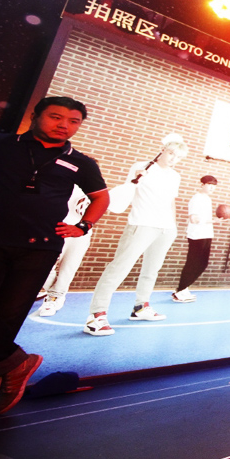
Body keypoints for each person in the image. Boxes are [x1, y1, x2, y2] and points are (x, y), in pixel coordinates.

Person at [0, 97, 109, 415]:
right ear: (36, 115)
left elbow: (100, 198)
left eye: (73, 121)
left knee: (9, 317)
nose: (64, 125)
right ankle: (17, 364)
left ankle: (4, 377)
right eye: (56, 117)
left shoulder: (81, 162)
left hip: (39, 248)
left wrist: (83, 226)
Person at [85, 134, 187, 336]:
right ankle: (96, 315)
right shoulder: (142, 167)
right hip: (141, 224)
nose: (173, 159)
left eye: (178, 157)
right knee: (119, 268)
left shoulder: (175, 176)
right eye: (171, 153)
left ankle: (141, 307)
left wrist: (173, 227)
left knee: (151, 270)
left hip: (165, 228)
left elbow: (171, 202)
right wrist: (137, 177)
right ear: (163, 150)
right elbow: (127, 192)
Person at [36, 186, 93, 316]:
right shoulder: (61, 182)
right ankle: (52, 291)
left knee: (68, 267)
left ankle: (54, 297)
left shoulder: (93, 186)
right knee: (43, 264)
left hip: (80, 233)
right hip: (55, 229)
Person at [172, 175, 218, 303]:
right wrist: (213, 221)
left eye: (214, 186)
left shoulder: (207, 199)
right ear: (202, 185)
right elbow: (193, 219)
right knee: (194, 264)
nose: (212, 188)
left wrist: (212, 221)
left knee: (201, 264)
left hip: (206, 234)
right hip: (197, 235)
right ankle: (180, 291)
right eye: (209, 185)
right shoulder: (196, 199)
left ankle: (183, 288)